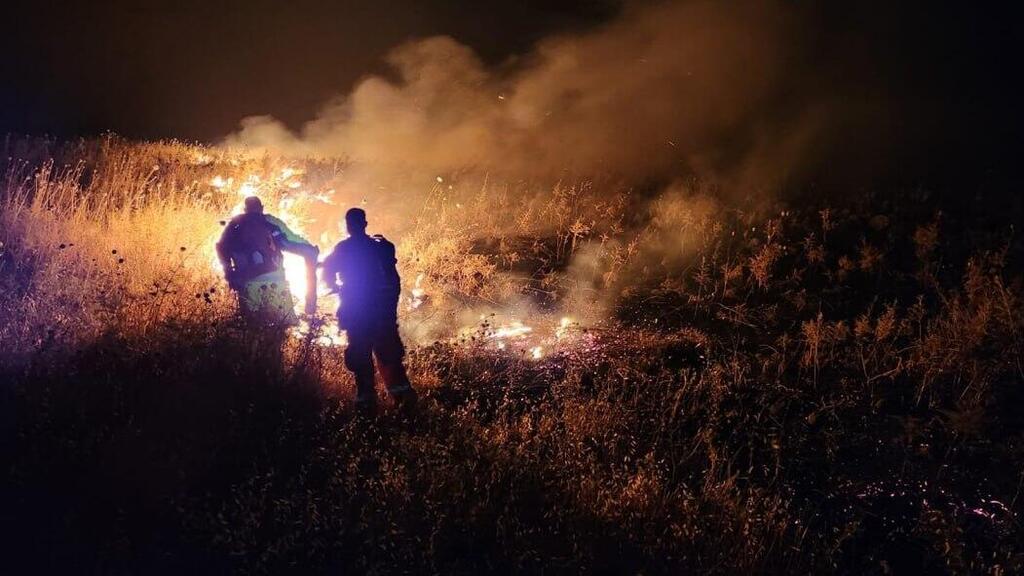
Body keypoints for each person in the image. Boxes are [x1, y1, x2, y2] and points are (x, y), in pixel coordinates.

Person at [322, 208, 417, 414]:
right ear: (365, 224)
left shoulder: (343, 248)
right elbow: (394, 281)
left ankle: (367, 404)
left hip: (357, 312)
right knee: (388, 354)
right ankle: (403, 401)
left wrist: (336, 288)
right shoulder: (382, 247)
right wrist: (390, 309)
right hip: (381, 312)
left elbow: (327, 271)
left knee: (361, 355)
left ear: (348, 226)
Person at [216, 196, 319, 325]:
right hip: (275, 283)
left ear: (245, 209)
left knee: (253, 330)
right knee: (281, 329)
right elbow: (290, 241)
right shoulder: (270, 222)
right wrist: (311, 249)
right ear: (262, 208)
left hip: (247, 285)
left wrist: (230, 273)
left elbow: (221, 247)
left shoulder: (234, 225)